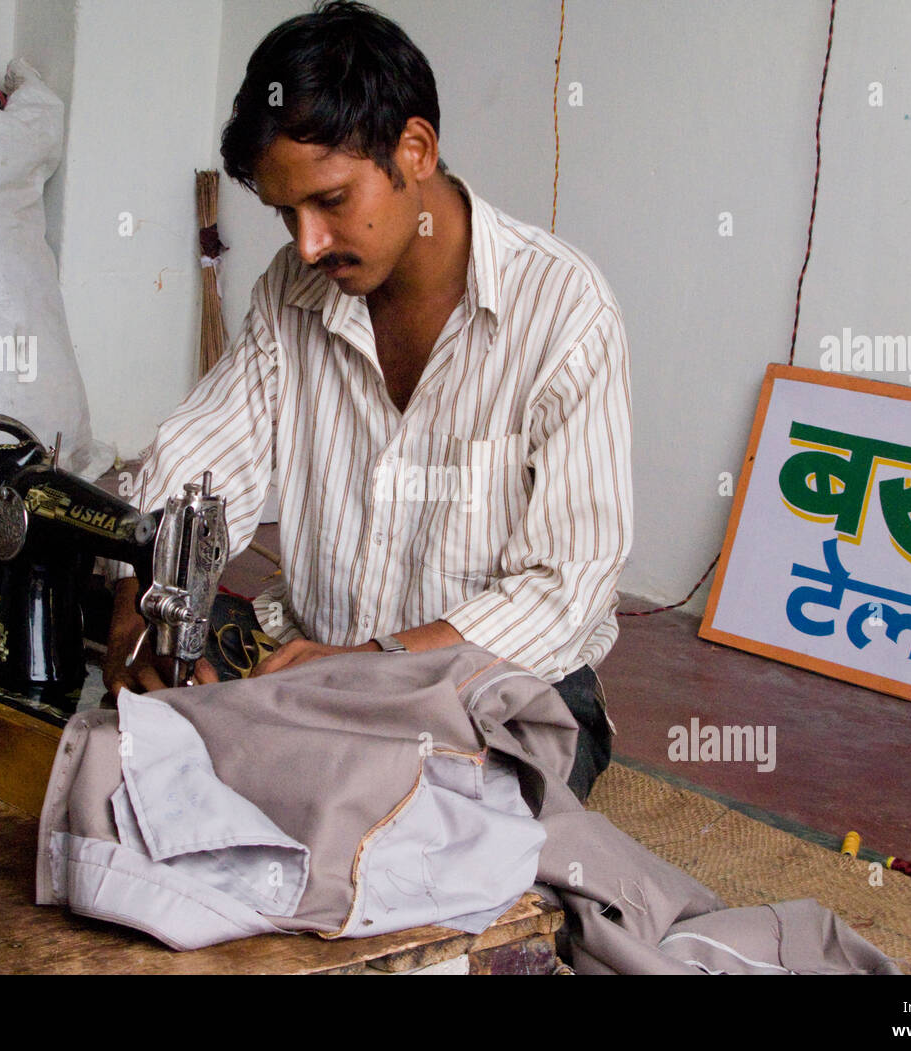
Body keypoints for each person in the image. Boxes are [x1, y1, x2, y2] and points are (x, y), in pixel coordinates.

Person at [104, 0, 632, 800]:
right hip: (314, 658)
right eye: (287, 213)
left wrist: (376, 664)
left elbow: (568, 587)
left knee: (465, 798)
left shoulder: (564, 311)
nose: (308, 242)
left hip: (493, 686)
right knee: (170, 673)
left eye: (330, 201)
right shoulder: (296, 288)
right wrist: (131, 611)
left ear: (414, 149)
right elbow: (199, 463)